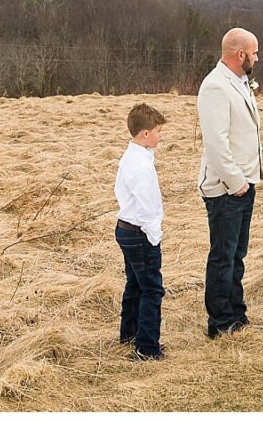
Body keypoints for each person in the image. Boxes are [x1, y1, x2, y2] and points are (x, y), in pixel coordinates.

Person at [196, 27, 263, 338]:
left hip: (244, 184)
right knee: (223, 255)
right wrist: (236, 182)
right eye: (254, 52)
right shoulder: (215, 86)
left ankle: (237, 313)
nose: (257, 57)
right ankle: (220, 321)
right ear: (240, 55)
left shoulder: (238, 82)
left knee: (237, 253)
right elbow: (216, 143)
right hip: (226, 188)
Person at [114, 102, 167, 361]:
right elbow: (148, 207)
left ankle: (130, 333)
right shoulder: (140, 167)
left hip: (126, 229)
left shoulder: (134, 156)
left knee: (135, 284)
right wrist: (154, 237)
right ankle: (147, 347)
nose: (159, 135)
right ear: (145, 134)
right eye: (157, 131)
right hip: (139, 233)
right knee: (152, 289)